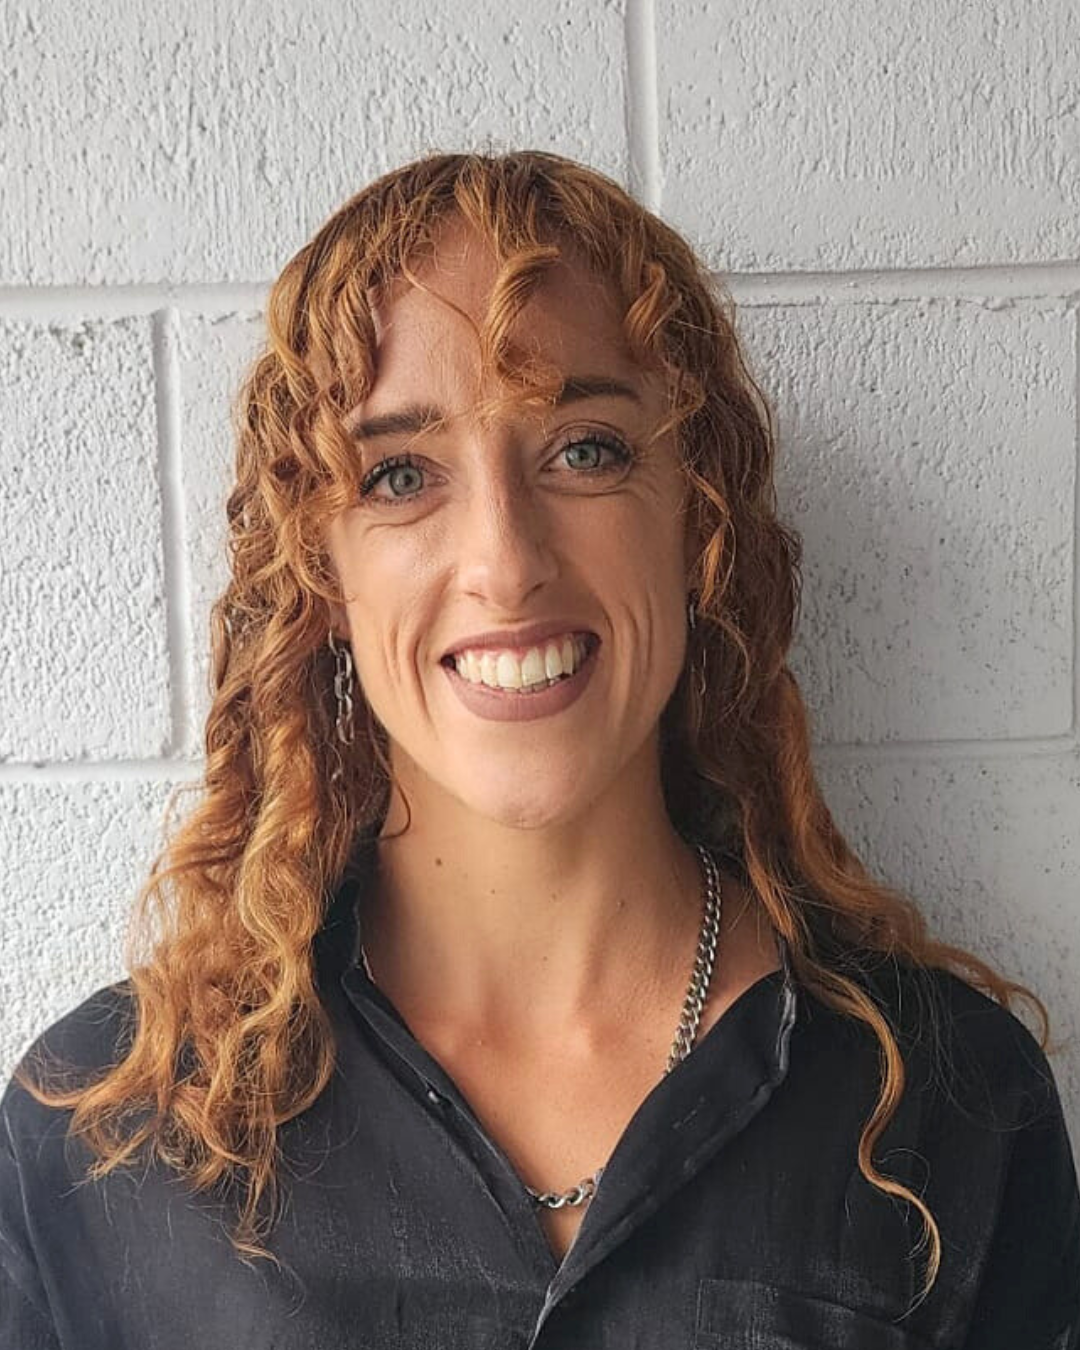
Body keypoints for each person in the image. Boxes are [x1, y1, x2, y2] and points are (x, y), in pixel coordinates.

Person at [2, 150, 1078, 1349]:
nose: (506, 563)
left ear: (698, 519)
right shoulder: (107, 1140)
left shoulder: (947, 1107)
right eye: (400, 474)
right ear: (324, 576)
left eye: (585, 449)